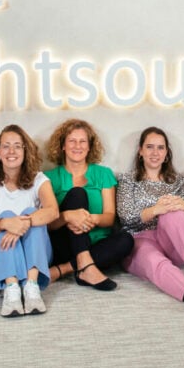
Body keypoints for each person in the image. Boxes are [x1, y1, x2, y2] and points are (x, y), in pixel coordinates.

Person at [116, 127, 184, 311]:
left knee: (175, 209)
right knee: (154, 261)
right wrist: (156, 209)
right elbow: (125, 217)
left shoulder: (178, 181)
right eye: (149, 147)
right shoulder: (128, 180)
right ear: (140, 151)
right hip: (138, 240)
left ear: (166, 153)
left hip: (173, 243)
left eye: (160, 148)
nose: (155, 153)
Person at [0, 125, 58, 317]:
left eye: (17, 146)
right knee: (5, 215)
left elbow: (53, 212)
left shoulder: (39, 179)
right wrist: (6, 223)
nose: (11, 151)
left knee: (32, 213)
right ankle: (11, 289)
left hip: (34, 251)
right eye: (6, 146)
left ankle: (31, 287)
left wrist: (23, 223)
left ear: (25, 151)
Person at [45, 119, 132, 291]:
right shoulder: (48, 178)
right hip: (64, 244)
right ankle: (85, 266)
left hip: (97, 246)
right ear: (62, 145)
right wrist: (68, 216)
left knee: (126, 240)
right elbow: (48, 225)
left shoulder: (103, 174)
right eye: (72, 141)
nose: (77, 146)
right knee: (77, 194)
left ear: (89, 146)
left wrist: (90, 218)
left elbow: (109, 218)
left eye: (82, 141)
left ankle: (64, 270)